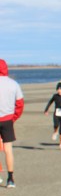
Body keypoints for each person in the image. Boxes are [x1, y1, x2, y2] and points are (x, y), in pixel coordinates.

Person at [0, 59, 24, 188]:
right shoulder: (13, 84)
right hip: (7, 120)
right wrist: (13, 118)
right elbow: (20, 104)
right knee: (8, 149)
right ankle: (10, 179)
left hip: (6, 118)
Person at [43, 82, 61, 151]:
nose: (59, 91)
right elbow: (50, 102)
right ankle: (55, 132)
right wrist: (46, 110)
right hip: (56, 113)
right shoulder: (55, 96)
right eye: (58, 89)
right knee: (56, 124)